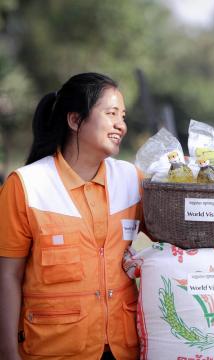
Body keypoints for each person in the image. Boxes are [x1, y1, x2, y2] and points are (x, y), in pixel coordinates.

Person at [0, 73, 144, 360]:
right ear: (75, 120)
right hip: (52, 350)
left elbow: (178, 233)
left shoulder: (131, 179)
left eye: (123, 116)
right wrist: (7, 353)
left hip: (121, 350)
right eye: (111, 113)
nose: (121, 125)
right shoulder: (26, 185)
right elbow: (7, 276)